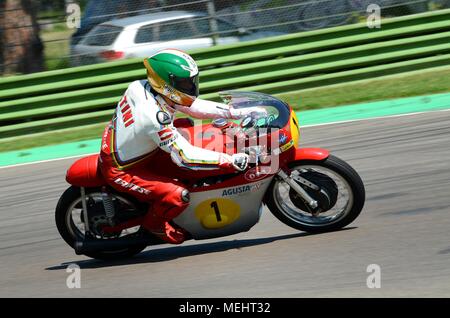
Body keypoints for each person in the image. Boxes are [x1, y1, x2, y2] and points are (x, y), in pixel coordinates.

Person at [99, 49, 254, 245]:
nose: (190, 87)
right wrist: (229, 161)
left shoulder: (141, 86)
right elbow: (186, 157)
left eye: (191, 81)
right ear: (165, 83)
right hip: (123, 168)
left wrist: (235, 112)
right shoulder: (153, 117)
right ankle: (153, 227)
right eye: (184, 83)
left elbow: (193, 107)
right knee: (177, 195)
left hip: (138, 147)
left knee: (189, 127)